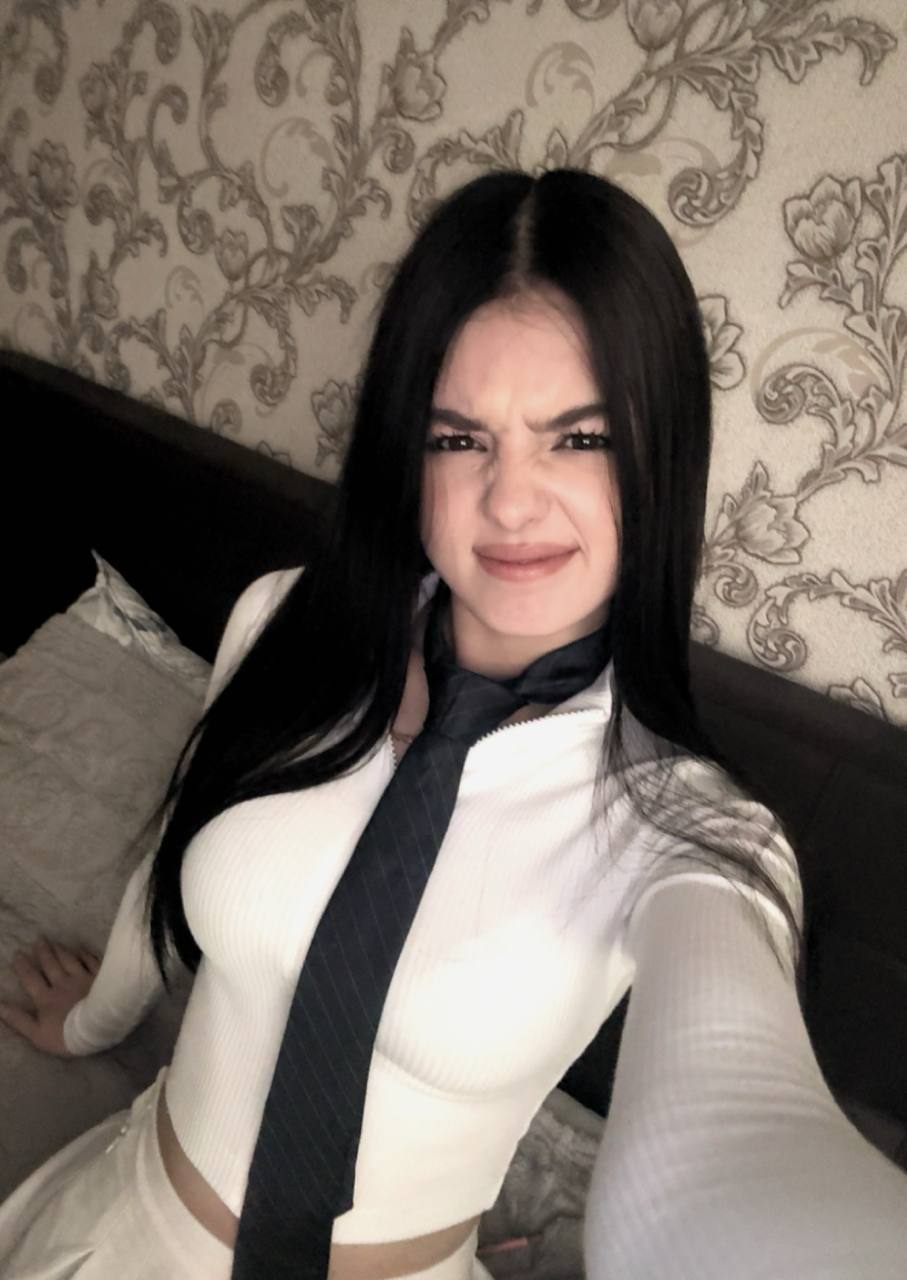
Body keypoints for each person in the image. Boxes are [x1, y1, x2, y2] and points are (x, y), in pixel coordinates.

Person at [1, 166, 906, 1280]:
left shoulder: (692, 836)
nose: (511, 499)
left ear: (659, 456)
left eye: (580, 439)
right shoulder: (283, 620)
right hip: (127, 1220)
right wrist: (93, 1023)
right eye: (457, 438)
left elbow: (740, 1141)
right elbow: (171, 849)